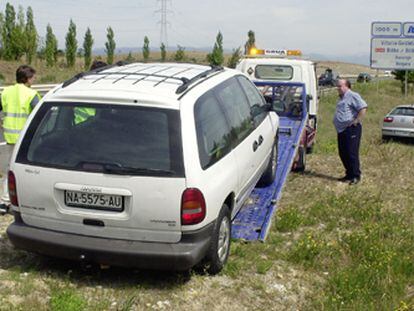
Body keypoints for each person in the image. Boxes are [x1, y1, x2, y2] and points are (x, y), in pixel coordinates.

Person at [0, 65, 41, 214]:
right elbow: (39, 116)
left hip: (10, 136)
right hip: (26, 139)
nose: (34, 80)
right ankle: (30, 200)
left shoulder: (6, 92)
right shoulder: (31, 94)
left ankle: (3, 202)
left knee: (8, 169)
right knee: (31, 170)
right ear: (27, 78)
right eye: (33, 77)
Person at [333, 79, 367, 185]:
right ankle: (349, 174)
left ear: (347, 86)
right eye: (337, 86)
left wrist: (356, 120)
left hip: (351, 129)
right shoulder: (342, 98)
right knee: (343, 152)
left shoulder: (352, 95)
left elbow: (363, 107)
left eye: (340, 86)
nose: (338, 88)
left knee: (351, 153)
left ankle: (356, 175)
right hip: (341, 130)